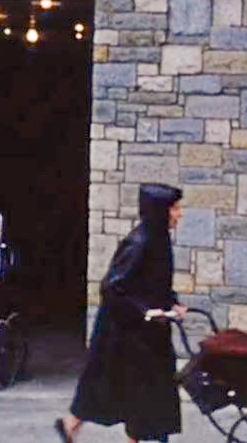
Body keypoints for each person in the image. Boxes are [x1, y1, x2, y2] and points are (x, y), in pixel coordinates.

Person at [55, 183, 188, 443]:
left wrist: (172, 302)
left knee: (136, 388)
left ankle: (71, 425)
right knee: (135, 388)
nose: (179, 214)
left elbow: (154, 282)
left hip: (145, 330)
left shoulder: (159, 238)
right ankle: (75, 426)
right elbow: (113, 287)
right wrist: (147, 312)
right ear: (160, 211)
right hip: (126, 332)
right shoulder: (139, 243)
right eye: (175, 208)